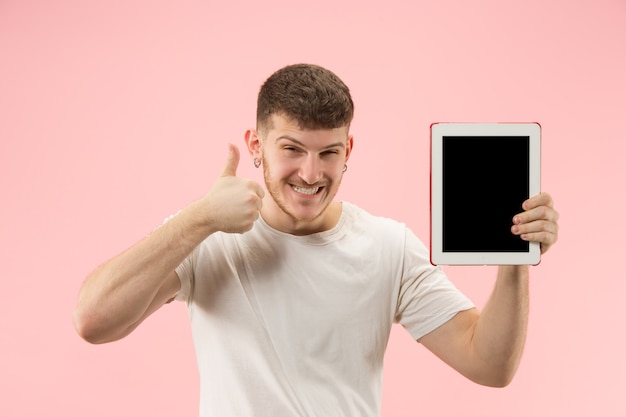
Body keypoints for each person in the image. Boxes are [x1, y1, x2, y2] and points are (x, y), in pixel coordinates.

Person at [73, 63, 559, 416]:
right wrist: (199, 218)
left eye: (328, 152)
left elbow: (489, 365)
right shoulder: (206, 235)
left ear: (348, 148)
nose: (311, 173)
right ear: (255, 145)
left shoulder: (389, 246)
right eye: (291, 149)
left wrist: (514, 256)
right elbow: (94, 320)